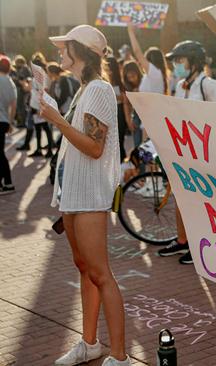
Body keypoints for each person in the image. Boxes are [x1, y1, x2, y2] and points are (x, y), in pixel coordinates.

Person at [40, 24, 131, 366]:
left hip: (90, 195)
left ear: (80, 51)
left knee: (100, 273)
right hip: (73, 194)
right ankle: (90, 344)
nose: (59, 52)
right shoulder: (84, 89)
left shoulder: (98, 90)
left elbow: (94, 147)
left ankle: (120, 357)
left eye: (64, 47)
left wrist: (56, 120)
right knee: (85, 269)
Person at [157, 39, 216, 265]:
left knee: (198, 203)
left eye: (180, 60)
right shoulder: (182, 85)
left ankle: (202, 246)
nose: (176, 65)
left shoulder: (207, 84)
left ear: (193, 62)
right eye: (174, 61)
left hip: (203, 156)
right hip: (183, 154)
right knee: (181, 198)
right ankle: (183, 240)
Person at [104, 56, 128, 160]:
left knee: (119, 141)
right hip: (108, 113)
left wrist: (113, 96)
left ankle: (122, 165)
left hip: (119, 112)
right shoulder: (103, 81)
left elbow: (124, 99)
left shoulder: (119, 82)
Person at [0, 55, 17, 195]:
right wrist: (10, 122)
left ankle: (8, 182)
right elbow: (14, 104)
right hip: (4, 120)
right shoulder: (10, 82)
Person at [121, 61, 142, 147]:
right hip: (136, 116)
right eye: (128, 77)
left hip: (147, 114)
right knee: (137, 144)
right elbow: (126, 103)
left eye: (133, 76)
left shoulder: (144, 83)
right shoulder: (127, 86)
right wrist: (128, 120)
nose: (131, 79)